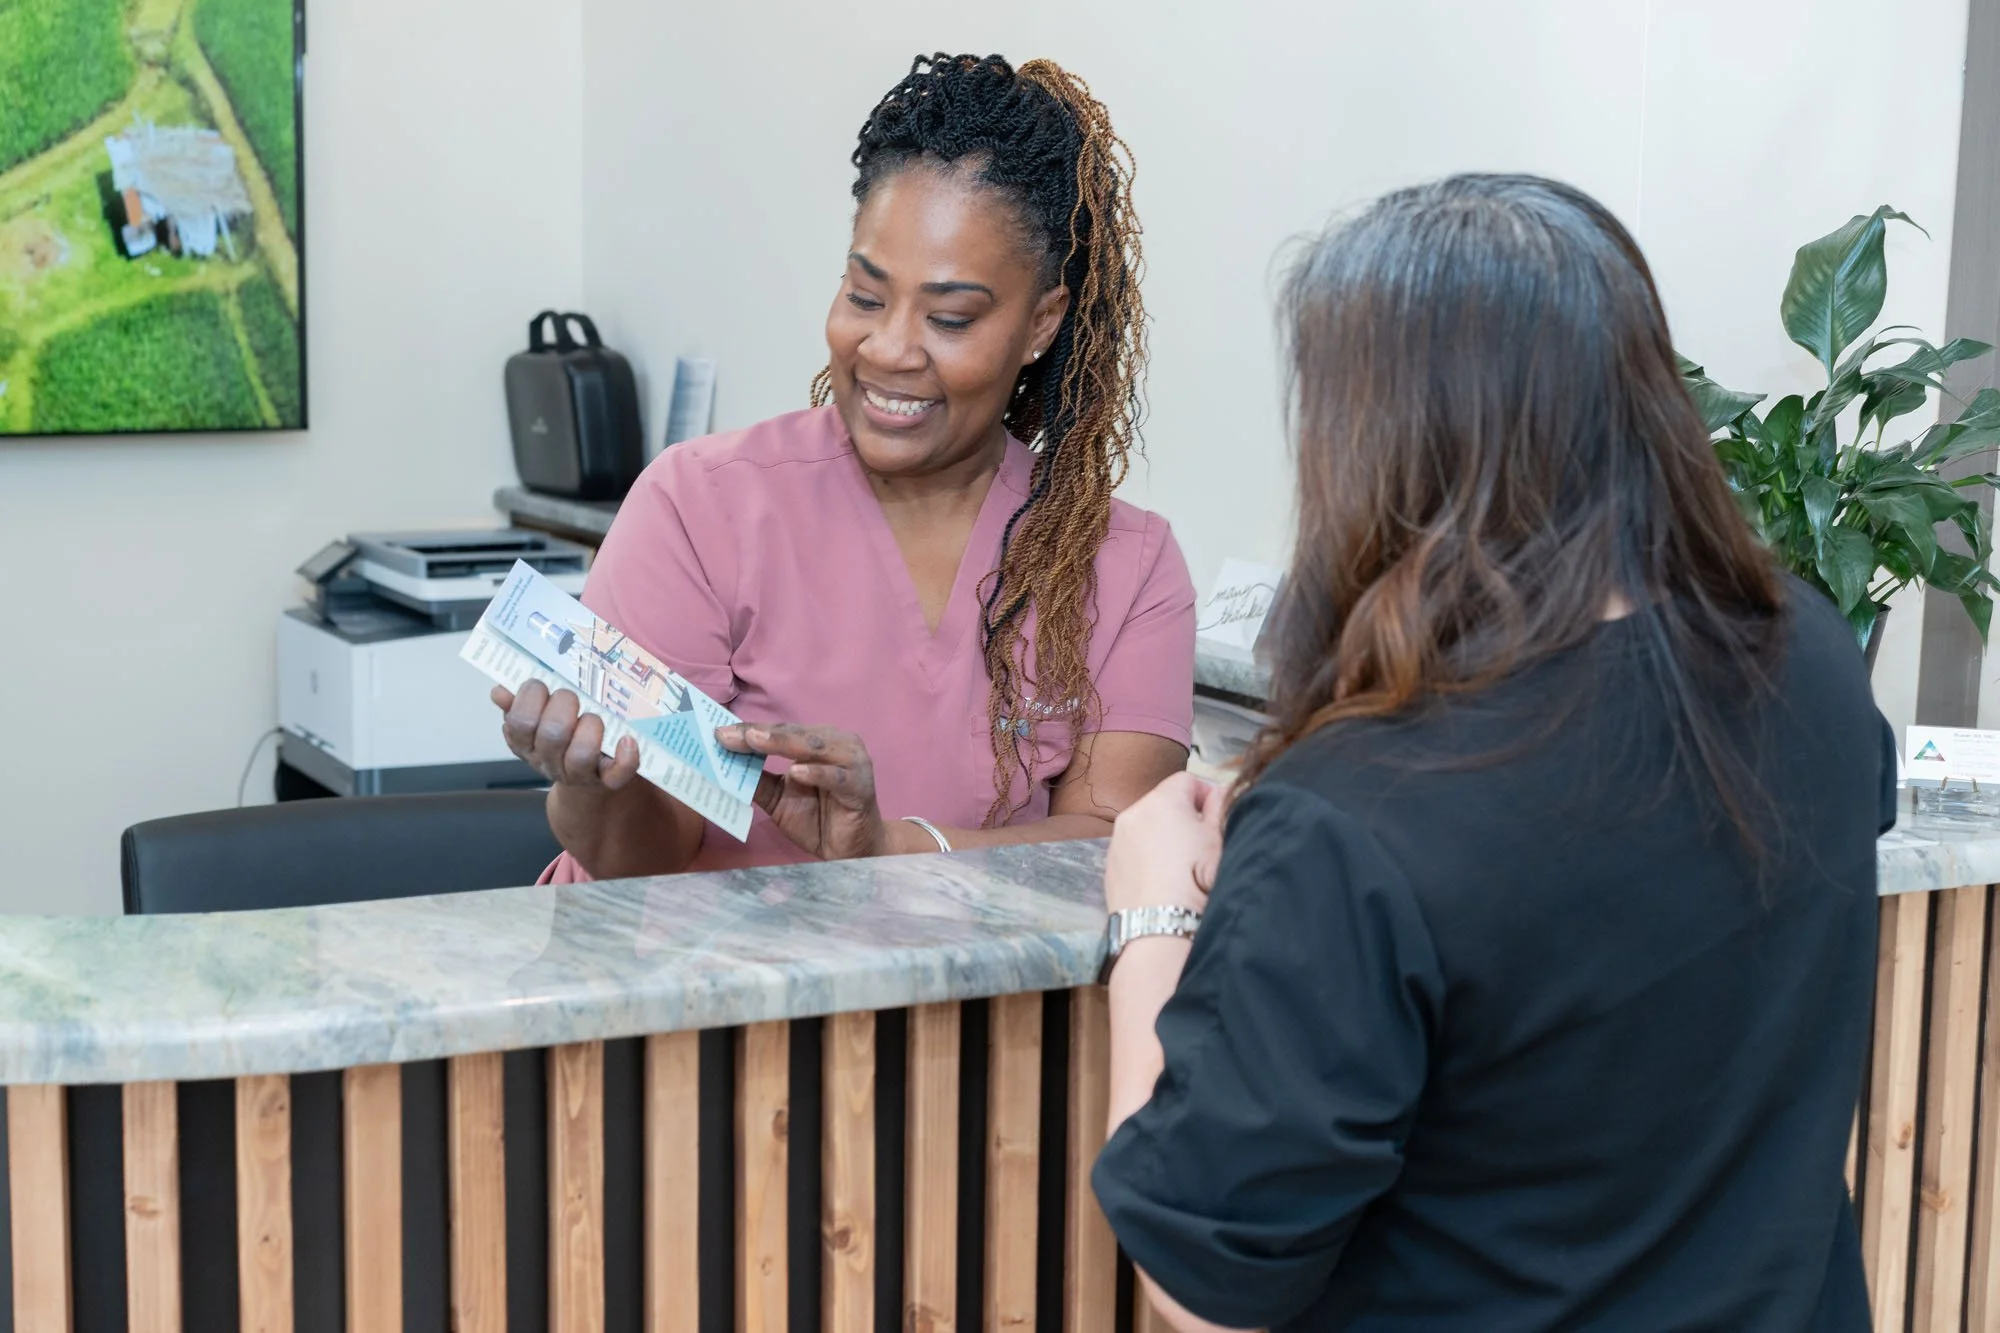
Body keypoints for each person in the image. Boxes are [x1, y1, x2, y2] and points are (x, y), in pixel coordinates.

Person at [1090, 175, 1894, 1332]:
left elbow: (1202, 1290)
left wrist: (1152, 915)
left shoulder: (1356, 819)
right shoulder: (1806, 655)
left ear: (1387, 451)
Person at [491, 53, 1195, 877]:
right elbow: (636, 865)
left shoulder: (1127, 565)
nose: (889, 349)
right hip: (690, 990)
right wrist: (591, 784)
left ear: (1041, 324)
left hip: (962, 1003)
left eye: (952, 317)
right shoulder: (700, 508)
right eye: (864, 297)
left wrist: (888, 847)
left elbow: (1122, 853)